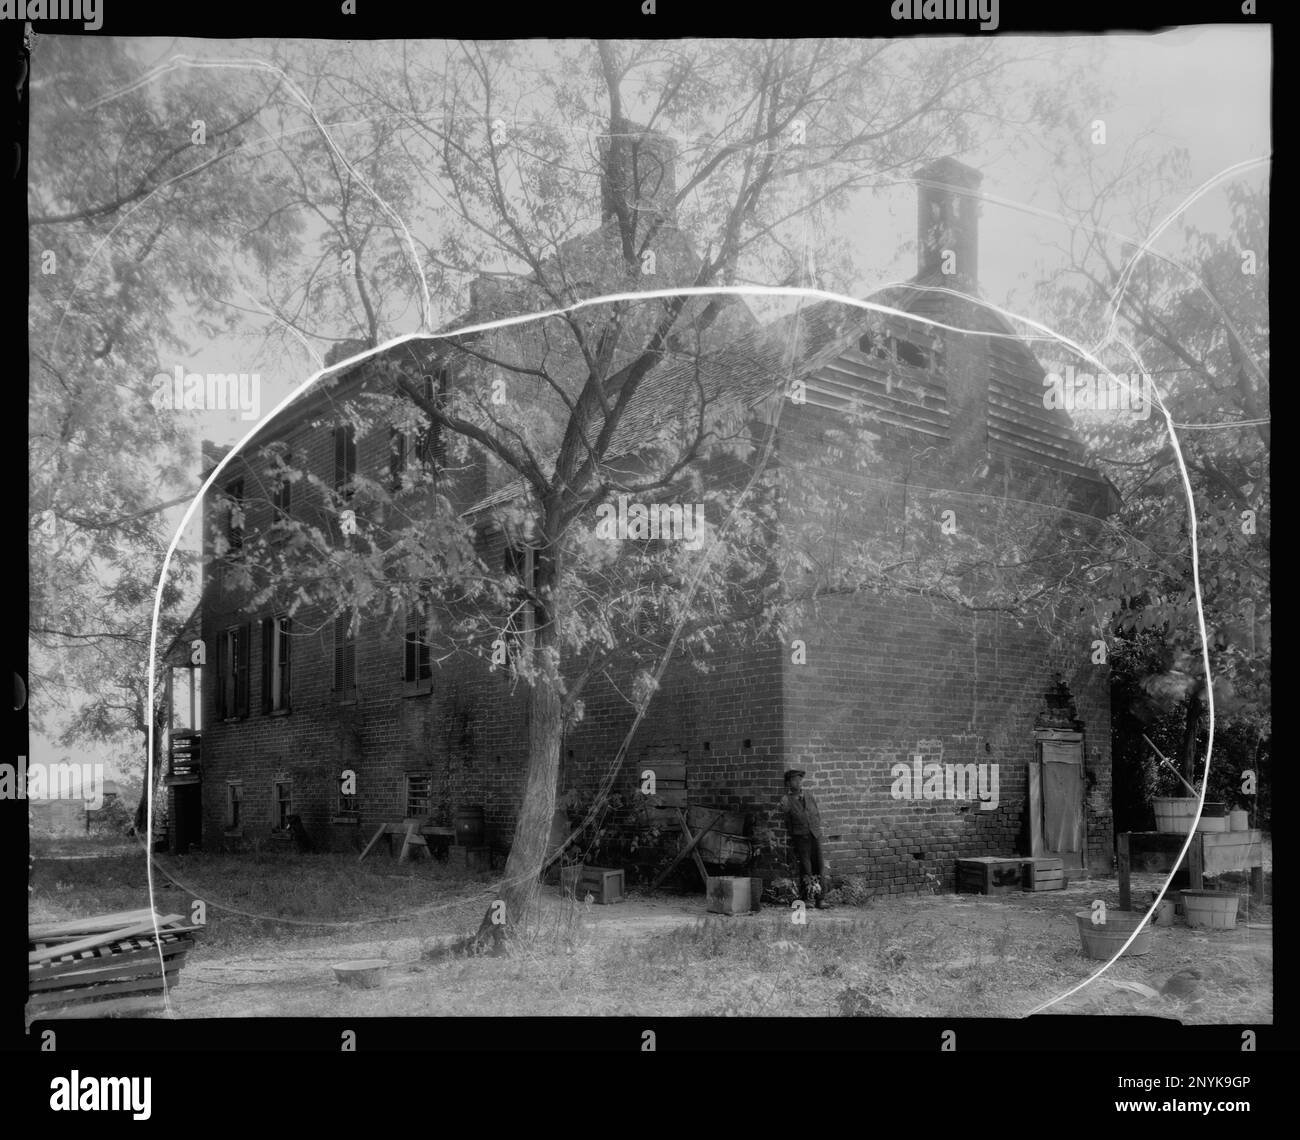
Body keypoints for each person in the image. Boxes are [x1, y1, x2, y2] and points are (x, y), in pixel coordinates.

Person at [780, 768, 831, 908]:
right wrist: (796, 834)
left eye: (799, 780)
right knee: (806, 867)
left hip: (814, 834)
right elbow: (787, 821)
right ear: (788, 783)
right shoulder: (787, 800)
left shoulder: (809, 795)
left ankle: (821, 899)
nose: (798, 782)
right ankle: (807, 899)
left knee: (819, 866)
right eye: (795, 780)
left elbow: (816, 813)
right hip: (800, 837)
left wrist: (816, 829)